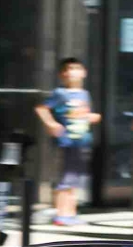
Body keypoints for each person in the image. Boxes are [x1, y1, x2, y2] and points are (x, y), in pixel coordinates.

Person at [35, 56, 95, 226]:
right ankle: (62, 215)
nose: (71, 73)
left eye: (75, 68)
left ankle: (71, 213)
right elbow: (41, 108)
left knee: (74, 179)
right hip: (66, 141)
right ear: (62, 75)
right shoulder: (60, 93)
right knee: (66, 178)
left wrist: (91, 117)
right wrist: (51, 123)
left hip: (81, 141)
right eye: (67, 70)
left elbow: (83, 114)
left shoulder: (84, 94)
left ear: (83, 73)